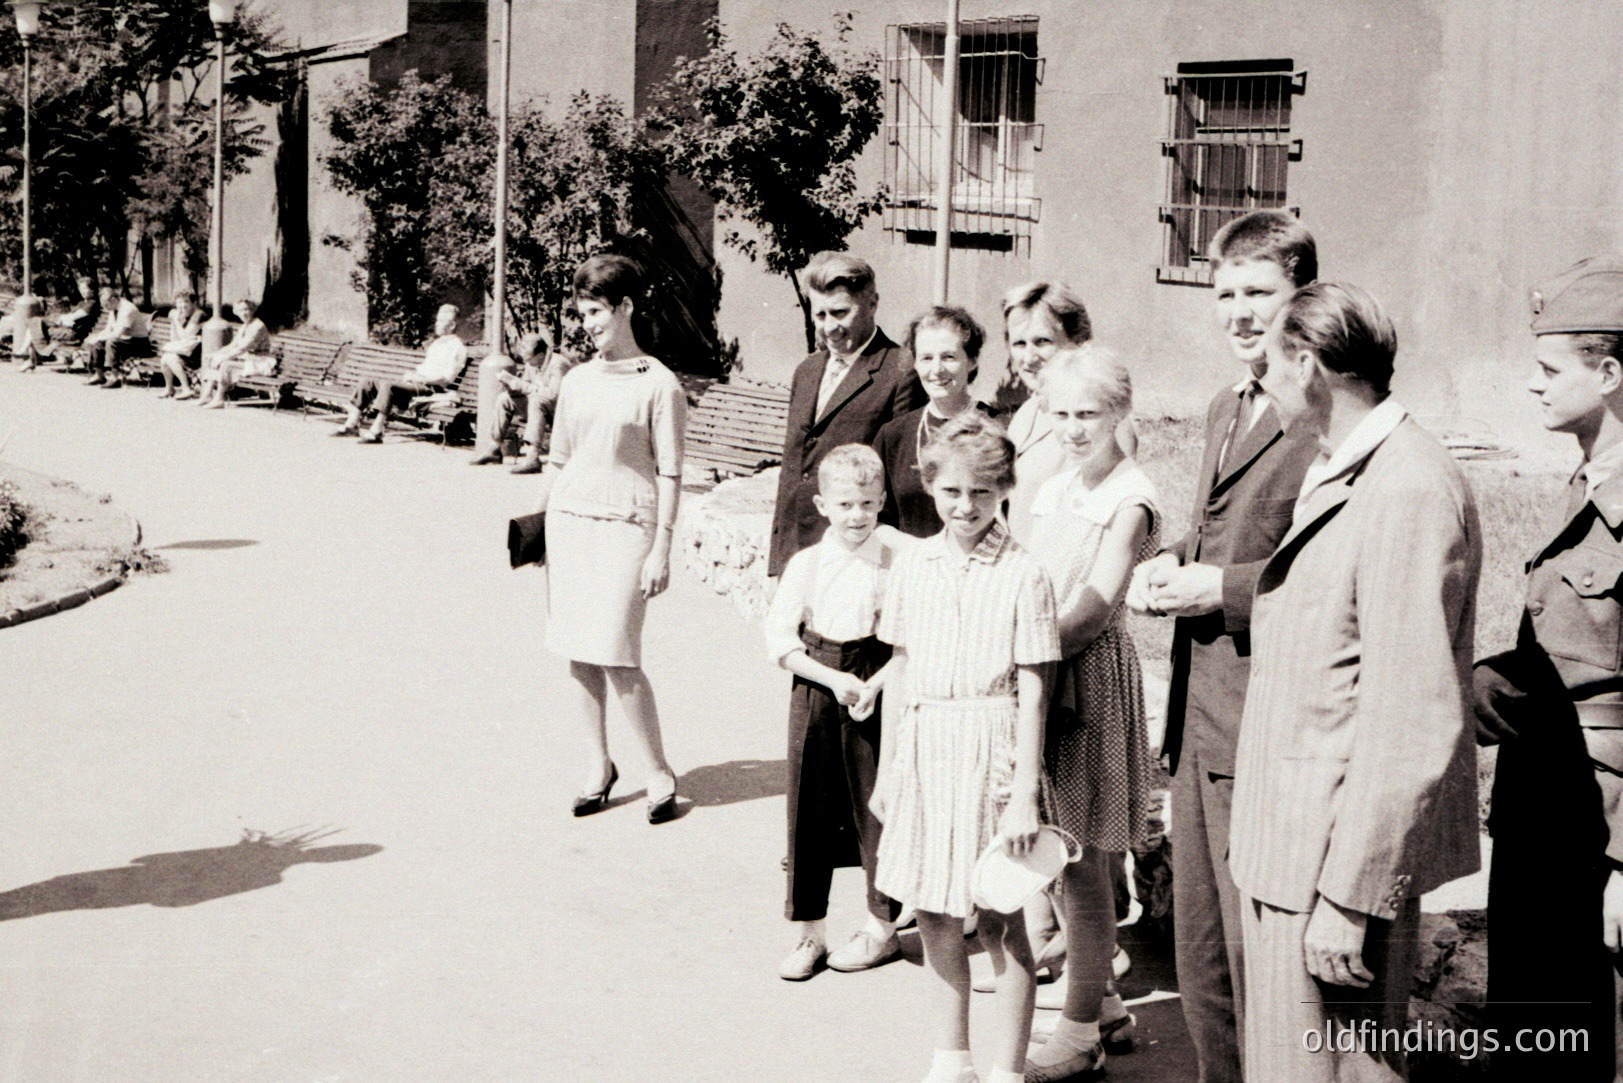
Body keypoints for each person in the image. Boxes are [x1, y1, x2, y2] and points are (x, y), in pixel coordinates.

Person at [1227, 282, 1482, 1083]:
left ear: (1307, 365)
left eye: (1269, 358)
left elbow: (1414, 715)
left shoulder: (1406, 486)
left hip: (1331, 865)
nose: (1257, 375)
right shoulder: (1342, 461)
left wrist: (1351, 894)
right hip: (1287, 844)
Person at [1124, 208, 1320, 1083]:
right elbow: (1215, 531)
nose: (1240, 313)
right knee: (1200, 951)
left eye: (1260, 293)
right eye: (1225, 293)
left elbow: (1326, 574)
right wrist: (1169, 560)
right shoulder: (1223, 405)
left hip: (1263, 720)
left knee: (1255, 958)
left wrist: (1225, 590)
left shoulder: (1319, 416)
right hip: (1197, 719)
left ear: (1301, 296)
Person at [871, 413, 1059, 1083]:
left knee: (999, 919)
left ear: (1003, 489)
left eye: (981, 492)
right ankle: (951, 1058)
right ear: (929, 485)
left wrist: (1023, 796)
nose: (965, 506)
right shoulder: (913, 564)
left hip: (992, 751)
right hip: (926, 745)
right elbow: (899, 665)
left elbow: (1034, 690)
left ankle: (1006, 1069)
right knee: (932, 910)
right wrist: (893, 766)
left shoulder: (1024, 572)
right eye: (951, 491)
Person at [1473, 255, 1623, 1082]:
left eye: (1547, 369)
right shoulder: (1588, 480)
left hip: (1599, 831)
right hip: (1547, 808)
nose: (1531, 387)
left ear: (1606, 373)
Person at [1020, 345, 1158, 1081]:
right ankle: (1102, 1000)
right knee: (1066, 849)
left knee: (1082, 858)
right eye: (1061, 413)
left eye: (1089, 414)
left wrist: (1019, 652)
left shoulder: (1128, 497)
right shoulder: (1057, 486)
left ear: (1119, 414)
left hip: (1086, 678)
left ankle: (1078, 1032)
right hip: (1049, 667)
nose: (1073, 428)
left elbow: (1095, 602)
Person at [532, 255, 685, 824]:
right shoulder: (576, 378)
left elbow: (670, 472)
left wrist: (662, 547)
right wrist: (538, 524)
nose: (587, 323)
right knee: (578, 652)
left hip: (628, 528)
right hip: (570, 522)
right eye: (581, 312)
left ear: (625, 307)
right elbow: (559, 457)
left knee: (619, 654)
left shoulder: (660, 384)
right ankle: (598, 765)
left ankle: (657, 771)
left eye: (596, 311)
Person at [764, 443, 904, 981]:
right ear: (822, 505)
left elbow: (914, 639)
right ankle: (809, 933)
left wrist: (878, 681)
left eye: (868, 504)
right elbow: (778, 640)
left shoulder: (897, 554)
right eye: (845, 504)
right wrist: (832, 678)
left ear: (883, 501)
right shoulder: (807, 563)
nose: (857, 516)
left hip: (878, 675)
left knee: (879, 805)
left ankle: (881, 927)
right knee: (808, 806)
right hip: (819, 682)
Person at [768, 251, 925, 578]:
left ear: (872, 303)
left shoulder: (901, 371)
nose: (829, 328)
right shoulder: (807, 371)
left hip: (858, 560)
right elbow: (792, 472)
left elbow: (899, 484)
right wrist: (778, 564)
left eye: (840, 312)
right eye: (820, 315)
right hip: (798, 557)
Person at [874, 306, 997, 538]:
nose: (937, 370)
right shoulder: (893, 436)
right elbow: (875, 517)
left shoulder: (999, 429)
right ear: (915, 363)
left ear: (971, 361)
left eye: (949, 357)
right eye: (927, 358)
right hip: (911, 564)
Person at [1001, 282, 1094, 541]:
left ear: (1077, 341)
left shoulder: (1098, 416)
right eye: (1019, 343)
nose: (1029, 357)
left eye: (1042, 341)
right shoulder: (1026, 413)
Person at [335, 304, 468, 443]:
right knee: (368, 382)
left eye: (441, 321)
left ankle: (377, 431)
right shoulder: (437, 344)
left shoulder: (457, 348)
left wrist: (421, 378)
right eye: (437, 320)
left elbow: (446, 379)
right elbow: (426, 367)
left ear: (452, 325)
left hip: (430, 390)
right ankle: (352, 425)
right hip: (415, 384)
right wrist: (413, 374)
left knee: (388, 386)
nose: (436, 324)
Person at [470, 329, 579, 474]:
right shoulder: (533, 364)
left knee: (536, 401)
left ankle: (532, 456)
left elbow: (554, 395)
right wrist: (511, 386)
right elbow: (526, 387)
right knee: (504, 399)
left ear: (541, 355)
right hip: (541, 410)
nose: (526, 362)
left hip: (561, 413)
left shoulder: (558, 364)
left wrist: (522, 385)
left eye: (528, 358)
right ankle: (494, 449)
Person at [197, 298, 274, 409]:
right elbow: (232, 346)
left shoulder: (257, 326)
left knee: (226, 364)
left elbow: (242, 348)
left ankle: (219, 399)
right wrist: (215, 354)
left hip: (261, 362)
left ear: (252, 310)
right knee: (214, 359)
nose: (244, 313)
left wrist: (222, 358)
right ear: (236, 312)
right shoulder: (244, 326)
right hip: (249, 360)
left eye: (247, 309)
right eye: (241, 310)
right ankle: (207, 395)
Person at [84, 287, 150, 389]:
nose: (105, 307)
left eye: (106, 304)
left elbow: (118, 333)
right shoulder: (113, 309)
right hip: (125, 340)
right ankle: (99, 375)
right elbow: (108, 330)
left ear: (113, 299)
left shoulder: (127, 309)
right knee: (97, 342)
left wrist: (100, 338)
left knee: (111, 342)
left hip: (139, 344)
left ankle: (115, 378)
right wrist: (96, 337)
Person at [157, 291, 206, 399]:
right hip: (186, 350)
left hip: (199, 353)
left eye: (186, 302)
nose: (182, 305)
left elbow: (187, 334)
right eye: (179, 302)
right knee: (165, 358)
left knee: (170, 358)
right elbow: (174, 337)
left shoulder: (199, 315)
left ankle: (186, 389)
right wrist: (174, 323)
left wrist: (175, 320)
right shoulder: (178, 315)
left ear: (194, 303)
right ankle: (169, 388)